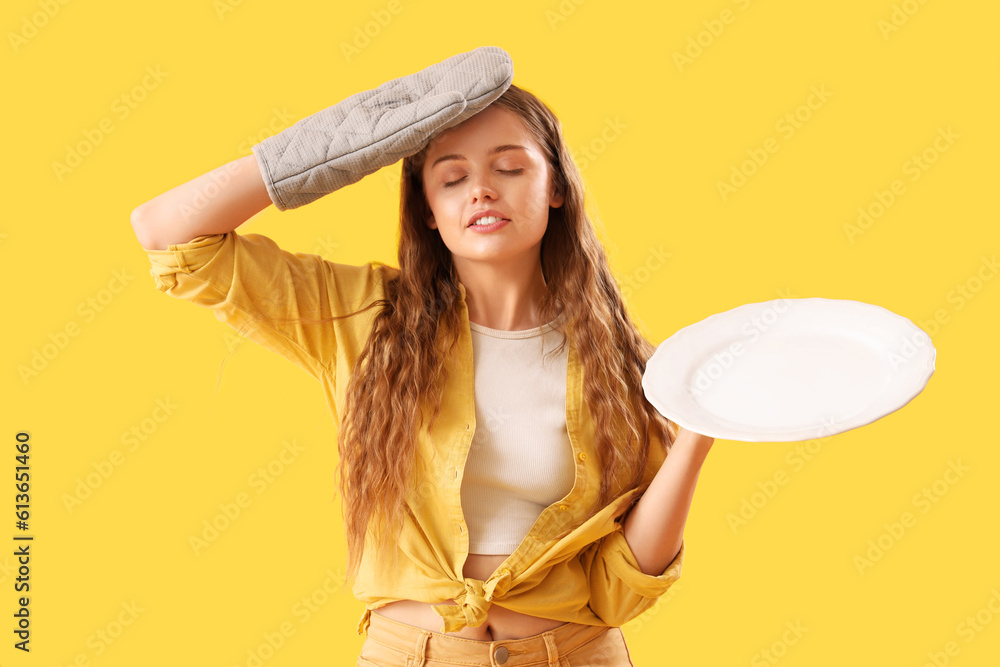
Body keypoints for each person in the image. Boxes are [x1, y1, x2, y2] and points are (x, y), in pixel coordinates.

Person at [131, 47, 714, 666]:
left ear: (557, 190)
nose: (482, 190)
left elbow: (623, 585)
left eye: (510, 168)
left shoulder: (624, 362)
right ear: (429, 212)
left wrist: (700, 434)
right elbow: (168, 234)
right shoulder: (360, 317)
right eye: (452, 177)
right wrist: (355, 137)